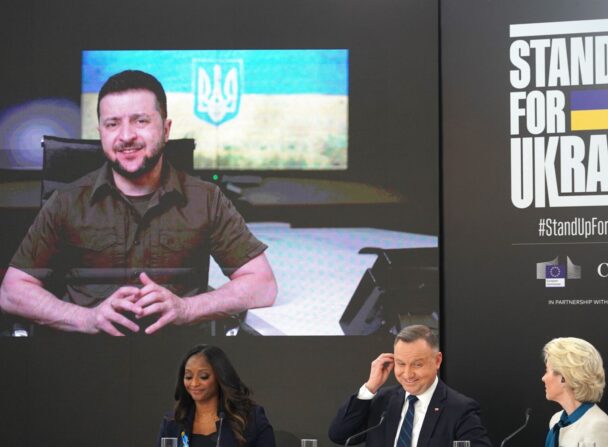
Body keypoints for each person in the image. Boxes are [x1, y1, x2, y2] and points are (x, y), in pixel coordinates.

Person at [0, 69, 277, 335]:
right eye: (112, 124)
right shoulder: (66, 201)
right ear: (101, 133)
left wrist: (187, 308)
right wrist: (86, 318)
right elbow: (12, 291)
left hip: (180, 361)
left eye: (140, 121)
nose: (126, 136)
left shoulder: (206, 199)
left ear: (166, 130)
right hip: (87, 357)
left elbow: (261, 284)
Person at [328, 324, 492, 447]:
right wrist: (370, 387)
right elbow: (339, 435)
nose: (407, 374)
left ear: (437, 361)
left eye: (417, 365)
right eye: (401, 364)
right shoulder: (383, 400)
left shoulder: (459, 409)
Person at [159, 344, 276, 447]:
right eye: (188, 377)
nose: (194, 383)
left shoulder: (251, 418)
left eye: (203, 376)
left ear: (220, 377)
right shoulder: (173, 422)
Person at [542, 337, 608, 447]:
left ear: (564, 377)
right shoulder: (556, 421)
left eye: (547, 371)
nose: (543, 378)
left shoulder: (597, 426)